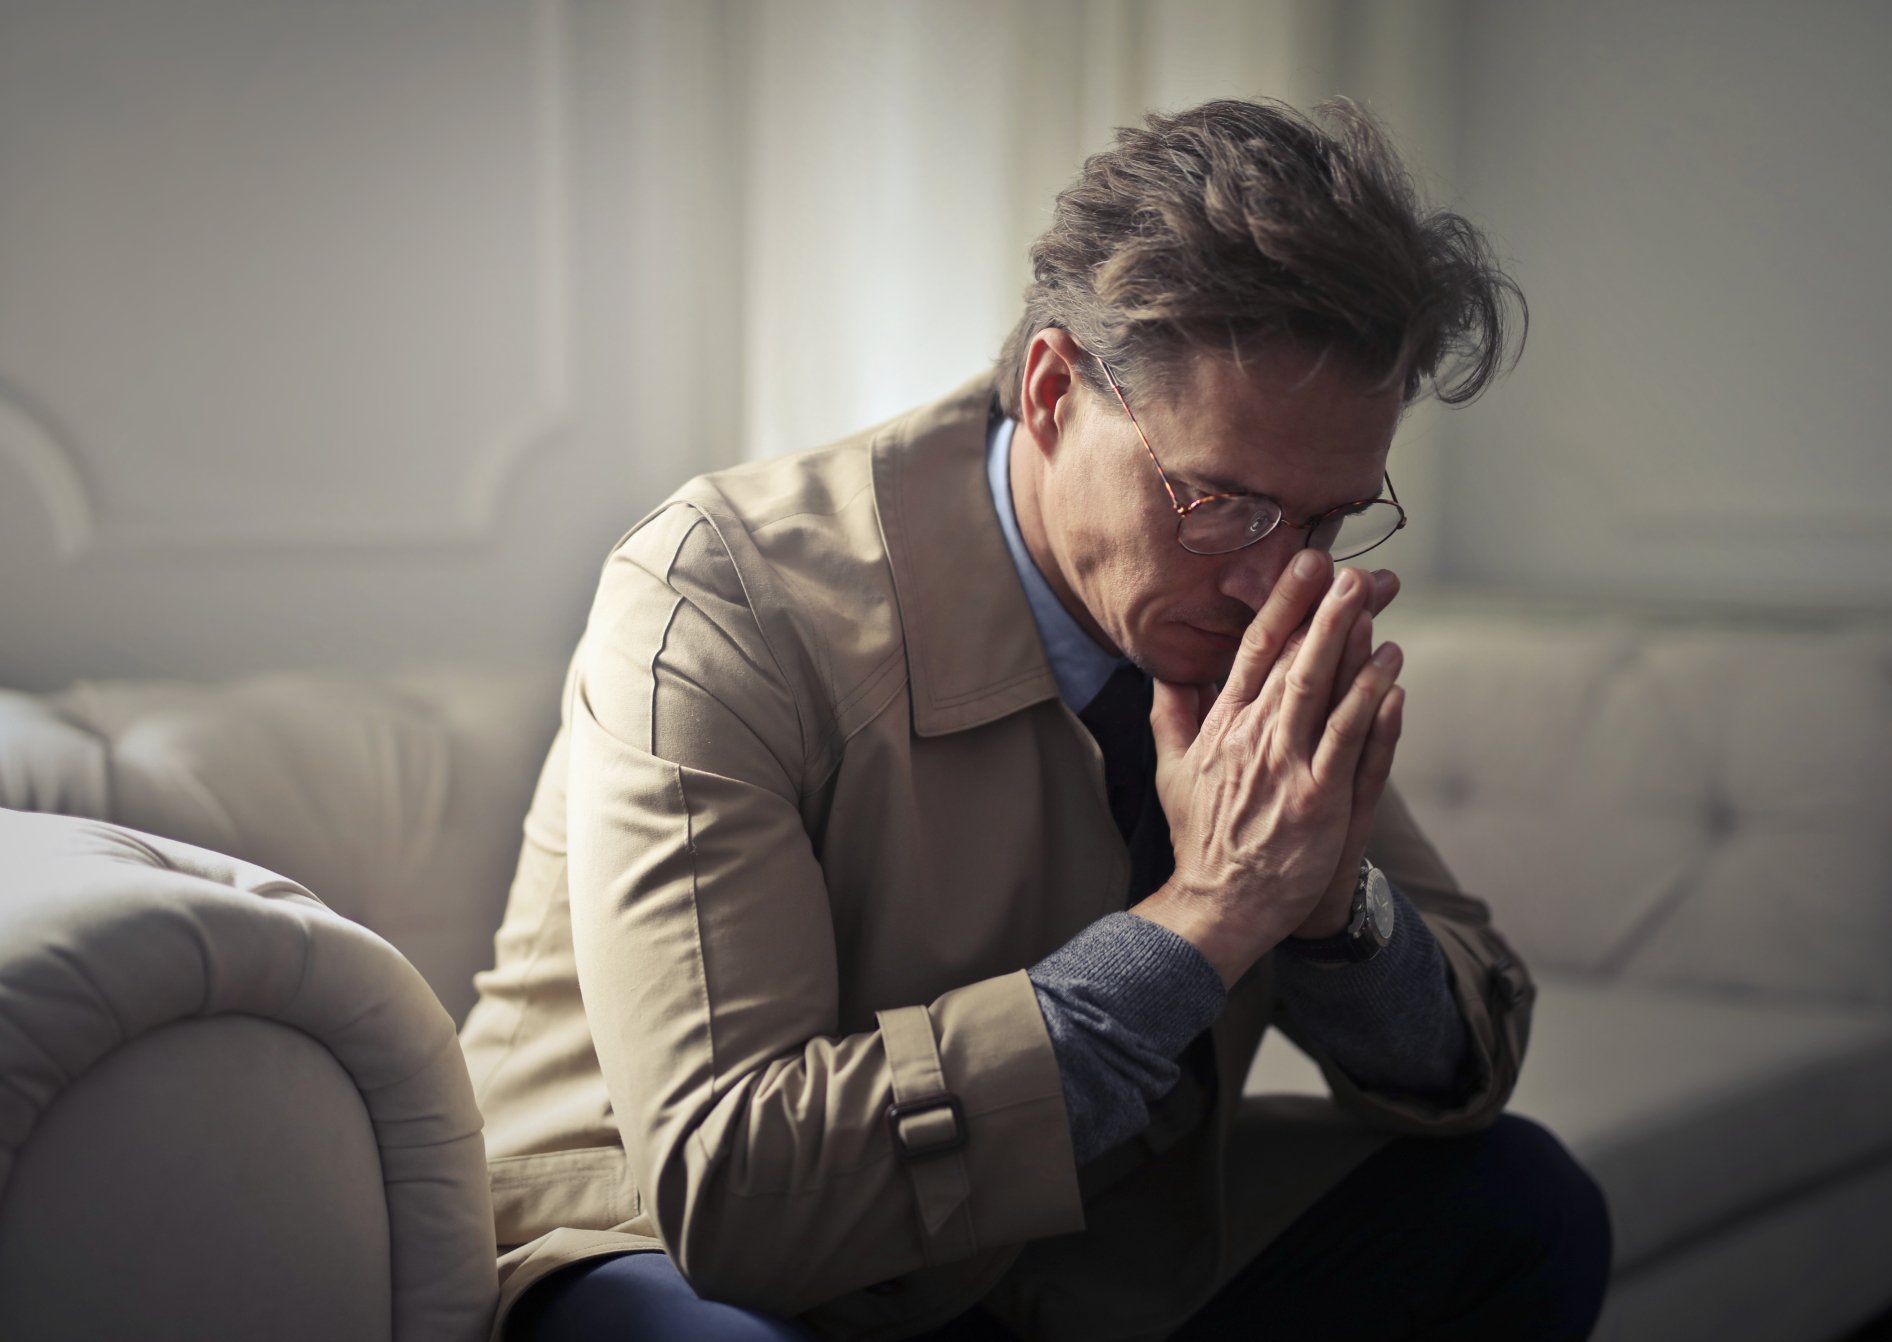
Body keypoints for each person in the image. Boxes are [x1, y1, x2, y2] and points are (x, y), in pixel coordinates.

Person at [459, 93, 1612, 1341]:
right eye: (1220, 501)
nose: (1272, 575)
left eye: (1326, 519)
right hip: (670, 1259)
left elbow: (1472, 1053)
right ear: (1056, 387)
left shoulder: (1245, 617)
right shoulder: (721, 594)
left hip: (1057, 1249)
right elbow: (739, 1190)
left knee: (1523, 1204)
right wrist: (1209, 920)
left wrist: (1333, 906)